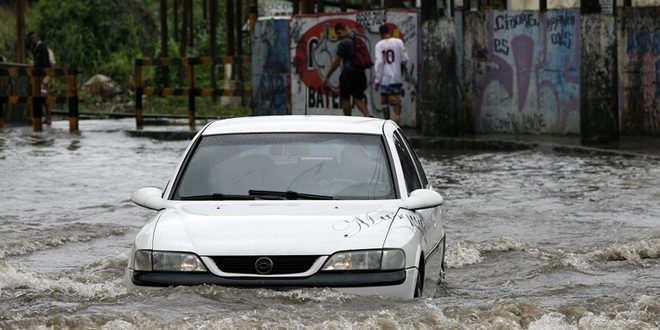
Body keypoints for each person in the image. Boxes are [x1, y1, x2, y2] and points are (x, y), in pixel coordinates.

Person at [322, 23, 371, 117]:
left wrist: (327, 76)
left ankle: (348, 120)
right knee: (358, 98)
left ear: (344, 29)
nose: (338, 36)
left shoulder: (344, 43)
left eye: (339, 33)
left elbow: (336, 62)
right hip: (360, 74)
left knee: (345, 98)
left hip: (348, 75)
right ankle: (367, 115)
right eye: (337, 34)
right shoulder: (356, 39)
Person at [373, 24, 409, 123]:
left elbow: (379, 62)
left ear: (380, 34)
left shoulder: (379, 45)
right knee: (395, 98)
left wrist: (377, 81)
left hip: (384, 77)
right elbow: (405, 59)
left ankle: (387, 122)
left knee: (384, 101)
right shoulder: (398, 42)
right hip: (396, 76)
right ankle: (397, 117)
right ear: (389, 31)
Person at [28, 31, 53, 125]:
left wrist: (46, 74)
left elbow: (45, 61)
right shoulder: (36, 47)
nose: (32, 40)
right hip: (40, 74)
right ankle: (45, 117)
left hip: (44, 74)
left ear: (37, 38)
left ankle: (48, 117)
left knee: (44, 94)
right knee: (41, 95)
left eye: (33, 38)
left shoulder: (42, 47)